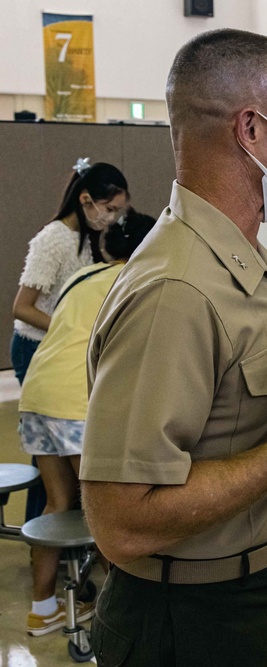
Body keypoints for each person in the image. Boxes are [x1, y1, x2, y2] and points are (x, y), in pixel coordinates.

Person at [79, 29, 267, 667]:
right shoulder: (177, 290)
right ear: (251, 131)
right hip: (187, 623)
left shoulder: (244, 259)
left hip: (250, 597)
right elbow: (121, 519)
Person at [19, 210, 155, 637]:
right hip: (77, 401)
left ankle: (43, 609)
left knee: (59, 503)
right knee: (107, 512)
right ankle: (124, 613)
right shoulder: (136, 281)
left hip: (37, 395)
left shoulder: (81, 277)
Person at [10, 160, 128, 384]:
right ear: (85, 199)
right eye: (109, 209)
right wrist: (70, 329)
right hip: (34, 344)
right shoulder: (52, 239)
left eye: (116, 211)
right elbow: (22, 308)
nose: (112, 217)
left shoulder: (87, 239)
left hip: (60, 341)